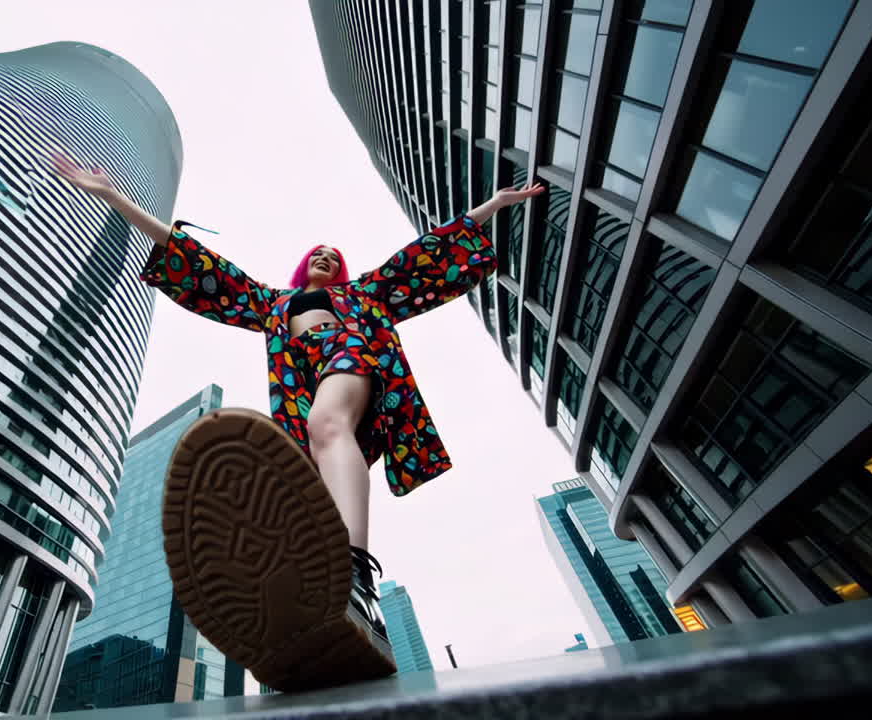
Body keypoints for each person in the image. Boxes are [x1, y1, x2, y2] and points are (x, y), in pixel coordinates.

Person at [51, 151, 544, 691]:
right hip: (303, 392)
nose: (327, 258)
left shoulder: (365, 294)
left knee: (327, 424)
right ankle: (338, 593)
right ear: (303, 267)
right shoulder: (270, 304)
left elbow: (424, 254)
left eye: (335, 257)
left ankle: (357, 572)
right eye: (318, 255)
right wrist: (113, 197)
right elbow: (202, 263)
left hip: (353, 357)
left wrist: (492, 206)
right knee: (317, 466)